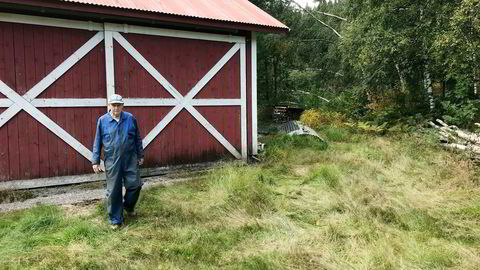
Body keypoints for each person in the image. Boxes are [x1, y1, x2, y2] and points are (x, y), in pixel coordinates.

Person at [92, 94, 144, 229]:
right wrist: (95, 161)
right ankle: (115, 219)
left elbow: (137, 138)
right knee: (114, 190)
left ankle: (128, 206)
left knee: (136, 185)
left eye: (118, 105)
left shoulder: (130, 119)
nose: (116, 108)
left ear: (122, 106)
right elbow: (97, 142)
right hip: (112, 160)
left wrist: (140, 154)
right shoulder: (102, 121)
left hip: (130, 159)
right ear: (109, 106)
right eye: (113, 105)